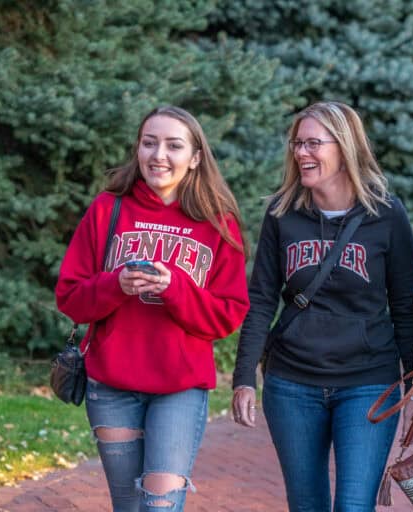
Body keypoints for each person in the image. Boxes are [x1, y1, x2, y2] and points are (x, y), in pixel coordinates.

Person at [55, 106, 249, 512]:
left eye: (173, 145)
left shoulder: (217, 222)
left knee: (160, 506)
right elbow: (70, 297)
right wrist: (117, 284)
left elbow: (228, 315)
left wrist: (175, 287)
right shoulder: (109, 209)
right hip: (111, 386)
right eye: (149, 143)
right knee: (129, 506)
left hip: (178, 387)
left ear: (195, 157)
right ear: (138, 150)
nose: (159, 154)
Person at [231, 101, 413, 511]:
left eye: (313, 143)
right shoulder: (283, 213)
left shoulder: (386, 214)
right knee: (307, 504)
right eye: (297, 143)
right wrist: (244, 376)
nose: (302, 153)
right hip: (291, 384)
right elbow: (262, 299)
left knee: (354, 505)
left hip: (369, 382)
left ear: (345, 147)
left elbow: (405, 305)